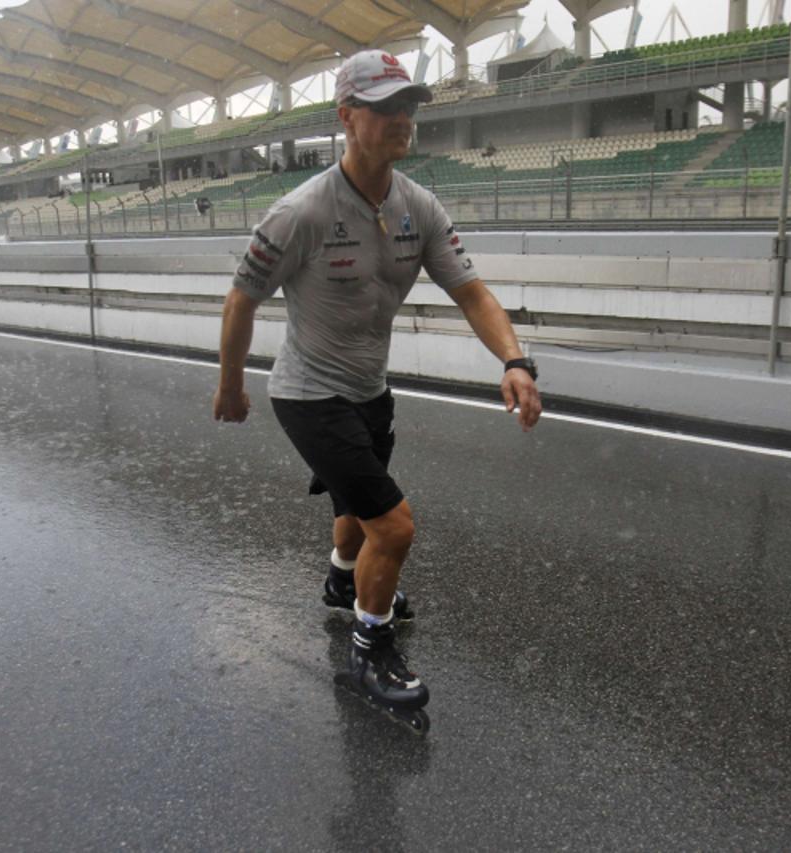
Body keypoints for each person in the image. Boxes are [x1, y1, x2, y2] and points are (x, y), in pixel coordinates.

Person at [212, 50, 541, 731]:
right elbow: (241, 300)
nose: (403, 119)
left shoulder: (418, 207)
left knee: (356, 506)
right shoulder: (300, 211)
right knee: (392, 524)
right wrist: (231, 385)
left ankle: (341, 577)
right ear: (346, 118)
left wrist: (516, 359)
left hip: (370, 389)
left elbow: (472, 292)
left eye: (409, 106)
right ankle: (370, 650)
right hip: (308, 393)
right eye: (386, 107)